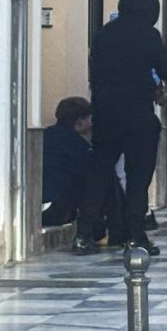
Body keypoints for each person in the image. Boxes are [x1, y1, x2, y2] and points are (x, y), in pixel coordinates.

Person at [75, 0, 167, 256]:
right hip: (138, 115)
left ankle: (84, 234)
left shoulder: (103, 35)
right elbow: (166, 69)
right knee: (138, 177)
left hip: (106, 114)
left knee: (99, 173)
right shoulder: (148, 34)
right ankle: (135, 235)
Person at [42, 96, 125, 244]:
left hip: (42, 207)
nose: (91, 124)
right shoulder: (75, 144)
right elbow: (96, 175)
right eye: (89, 120)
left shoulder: (47, 135)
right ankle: (117, 229)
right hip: (56, 210)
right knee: (103, 174)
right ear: (80, 121)